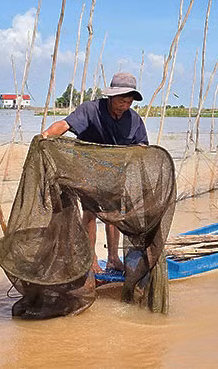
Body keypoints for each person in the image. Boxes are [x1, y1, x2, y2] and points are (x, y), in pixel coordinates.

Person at [41, 72, 148, 273]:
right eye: (121, 101)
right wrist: (45, 136)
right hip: (87, 171)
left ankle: (113, 258)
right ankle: (90, 259)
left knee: (114, 215)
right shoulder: (91, 110)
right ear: (111, 97)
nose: (125, 106)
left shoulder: (134, 120)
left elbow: (142, 146)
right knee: (90, 213)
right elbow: (65, 124)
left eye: (129, 102)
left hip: (115, 174)